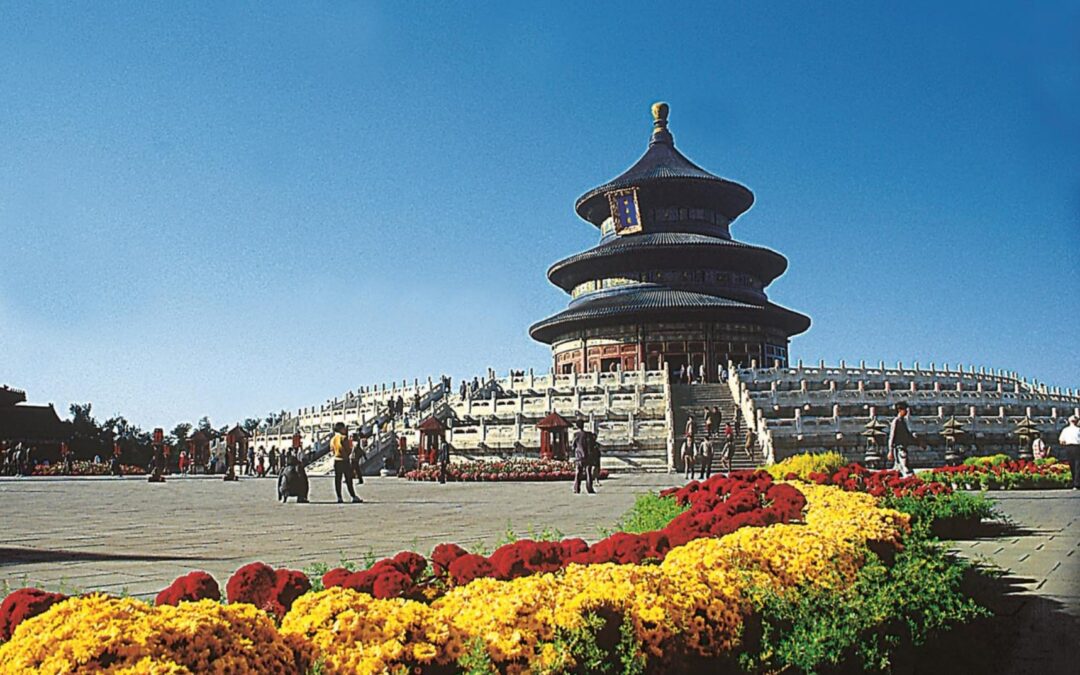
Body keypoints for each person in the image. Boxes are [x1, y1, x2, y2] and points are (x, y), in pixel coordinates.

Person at [330, 422, 362, 503]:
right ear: (341, 429)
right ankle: (353, 496)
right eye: (344, 428)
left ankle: (339, 497)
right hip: (344, 460)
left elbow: (332, 450)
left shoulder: (333, 439)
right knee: (348, 479)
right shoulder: (343, 438)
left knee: (338, 479)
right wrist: (349, 452)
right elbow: (347, 449)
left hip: (336, 460)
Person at [888, 401, 919, 478]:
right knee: (905, 468)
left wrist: (917, 442)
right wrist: (890, 451)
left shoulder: (903, 421)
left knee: (899, 469)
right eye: (905, 409)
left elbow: (907, 435)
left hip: (903, 447)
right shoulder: (896, 422)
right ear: (900, 410)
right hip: (899, 449)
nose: (906, 411)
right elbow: (892, 437)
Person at [572, 421, 595, 494]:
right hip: (588, 456)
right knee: (588, 473)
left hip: (579, 456)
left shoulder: (576, 435)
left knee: (578, 472)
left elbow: (573, 445)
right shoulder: (589, 434)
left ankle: (577, 488)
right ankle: (589, 488)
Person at [1058, 415, 1080, 490]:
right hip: (1077, 447)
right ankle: (1076, 484)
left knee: (1072, 465)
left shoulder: (1065, 430)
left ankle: (1074, 482)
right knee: (1078, 465)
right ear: (1077, 421)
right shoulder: (1078, 430)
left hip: (1068, 448)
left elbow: (1061, 441)